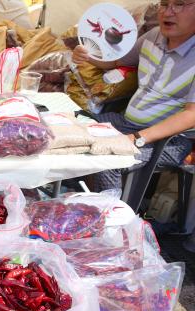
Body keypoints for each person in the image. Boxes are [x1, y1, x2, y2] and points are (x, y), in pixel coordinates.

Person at [73, 0, 195, 192]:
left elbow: (191, 114)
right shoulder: (153, 36)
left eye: (179, 4)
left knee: (109, 161)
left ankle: (112, 218)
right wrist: (87, 56)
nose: (168, 12)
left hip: (170, 141)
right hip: (127, 123)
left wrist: (137, 138)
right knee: (73, 126)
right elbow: (116, 62)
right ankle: (82, 202)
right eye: (164, 4)